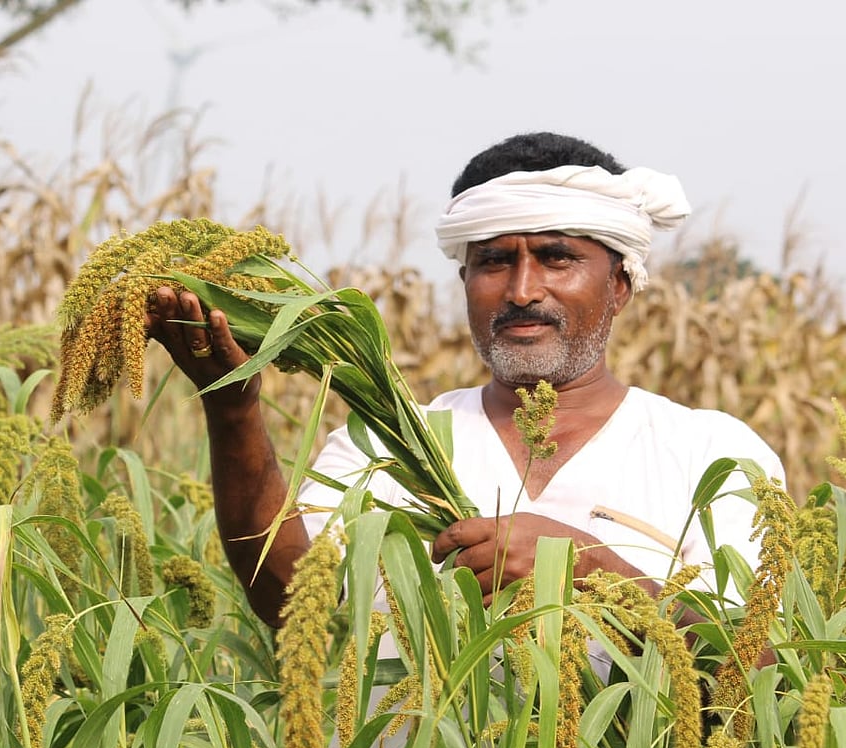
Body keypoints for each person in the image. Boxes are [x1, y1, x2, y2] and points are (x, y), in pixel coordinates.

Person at [145, 132, 785, 628]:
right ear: (465, 281)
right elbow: (289, 602)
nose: (523, 290)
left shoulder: (713, 454)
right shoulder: (387, 441)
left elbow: (753, 670)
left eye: (557, 257)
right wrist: (233, 412)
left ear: (620, 284)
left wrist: (591, 571)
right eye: (494, 262)